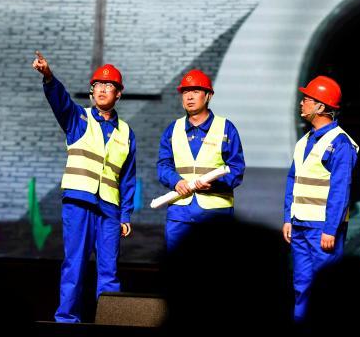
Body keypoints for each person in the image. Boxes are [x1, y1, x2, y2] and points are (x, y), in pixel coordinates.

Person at [32, 51, 136, 323]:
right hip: (79, 202)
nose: (101, 89)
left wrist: (125, 214)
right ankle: (67, 319)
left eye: (108, 85)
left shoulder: (126, 132)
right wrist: (49, 77)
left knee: (109, 270)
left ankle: (110, 320)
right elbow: (60, 101)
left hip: (110, 209)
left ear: (118, 94)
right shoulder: (78, 118)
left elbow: (128, 177)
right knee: (75, 264)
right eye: (97, 85)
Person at [282, 75, 359, 323]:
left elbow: (340, 190)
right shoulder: (304, 141)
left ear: (321, 106)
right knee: (301, 283)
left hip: (322, 229)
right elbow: (293, 180)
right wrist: (288, 218)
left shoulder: (340, 143)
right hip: (300, 224)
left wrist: (330, 229)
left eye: (307, 99)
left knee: (326, 286)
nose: (301, 103)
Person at [156, 69, 245, 252]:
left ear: (208, 96)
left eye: (195, 91)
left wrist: (214, 184)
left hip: (215, 215)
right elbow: (163, 165)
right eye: (185, 92)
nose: (189, 97)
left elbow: (236, 169)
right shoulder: (173, 130)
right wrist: (176, 181)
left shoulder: (226, 129)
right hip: (180, 214)